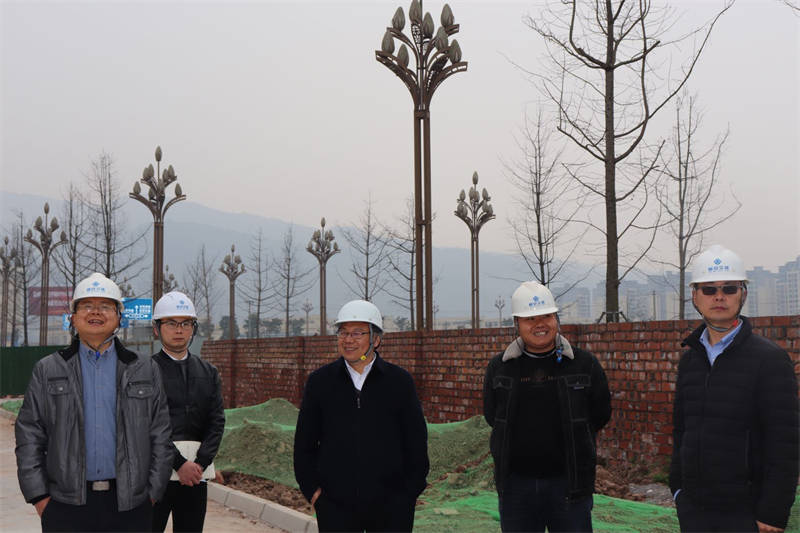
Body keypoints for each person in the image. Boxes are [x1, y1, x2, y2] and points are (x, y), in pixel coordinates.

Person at [15, 272, 172, 532]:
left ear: (119, 316)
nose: (96, 312)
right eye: (87, 305)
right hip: (65, 506)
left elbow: (161, 435)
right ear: (73, 317)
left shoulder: (144, 369)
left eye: (106, 306)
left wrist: (152, 493)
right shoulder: (48, 369)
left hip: (131, 506)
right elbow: (29, 435)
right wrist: (40, 497)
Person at [670, 245, 799, 533]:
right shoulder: (691, 360)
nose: (719, 296)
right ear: (695, 296)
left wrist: (773, 512)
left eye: (729, 288)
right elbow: (681, 430)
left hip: (746, 513)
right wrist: (678, 489)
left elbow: (785, 444)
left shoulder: (769, 360)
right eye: (709, 289)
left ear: (743, 293)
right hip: (695, 510)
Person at [483, 281, 611, 533]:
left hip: (570, 485)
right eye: (530, 319)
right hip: (516, 488)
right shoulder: (501, 368)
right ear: (517, 323)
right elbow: (492, 416)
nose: (539, 324)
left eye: (546, 316)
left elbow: (600, 414)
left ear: (556, 319)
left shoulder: (583, 364)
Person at [293, 299, 429, 532]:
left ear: (376, 340)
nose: (348, 340)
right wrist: (313, 492)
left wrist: (408, 493)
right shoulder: (321, 382)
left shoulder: (398, 382)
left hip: (391, 507)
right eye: (343, 332)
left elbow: (416, 441)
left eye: (357, 333)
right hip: (336, 507)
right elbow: (304, 443)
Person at [150, 291, 225, 532]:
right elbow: (146, 424)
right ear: (156, 329)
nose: (179, 330)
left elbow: (216, 422)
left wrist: (199, 464)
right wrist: (179, 463)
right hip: (155, 473)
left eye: (186, 323)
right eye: (171, 323)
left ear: (194, 328)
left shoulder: (208, 372)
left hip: (195, 475)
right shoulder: (145, 372)